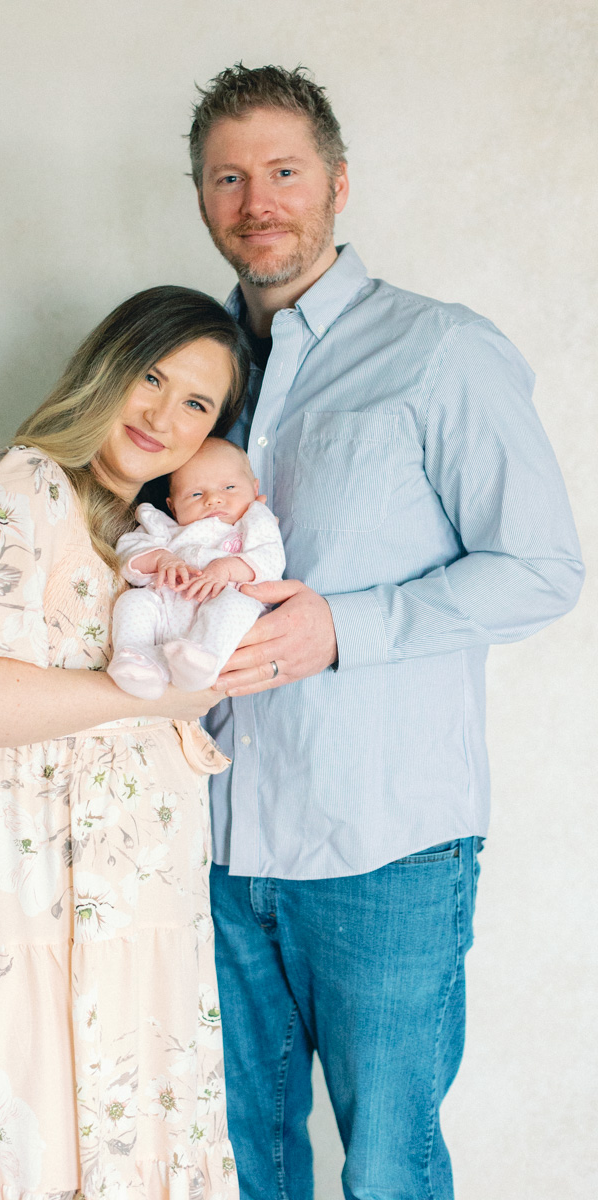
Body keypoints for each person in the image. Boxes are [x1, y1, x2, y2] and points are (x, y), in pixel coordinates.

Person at [186, 64, 585, 1200]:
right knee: (233, 1165)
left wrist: (343, 628)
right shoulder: (190, 378)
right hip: (210, 848)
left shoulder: (439, 349)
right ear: (201, 198)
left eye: (282, 171)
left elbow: (542, 570)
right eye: (227, 176)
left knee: (386, 1172)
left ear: (337, 184)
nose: (255, 199)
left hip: (383, 848)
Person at [0, 286, 249, 1200]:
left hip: (129, 921)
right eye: (151, 376)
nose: (163, 415)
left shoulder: (144, 538)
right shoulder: (20, 485)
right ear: (107, 368)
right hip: (19, 910)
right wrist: (146, 697)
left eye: (196, 403)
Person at [108, 437, 285, 698]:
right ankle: (138, 658)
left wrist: (226, 568)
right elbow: (127, 552)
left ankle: (201, 662)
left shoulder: (254, 524)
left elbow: (271, 561)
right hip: (166, 610)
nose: (213, 499)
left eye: (229, 487)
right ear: (173, 506)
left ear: (254, 488)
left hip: (223, 612)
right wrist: (161, 559)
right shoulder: (165, 529)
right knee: (133, 601)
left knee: (238, 606)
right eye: (196, 494)